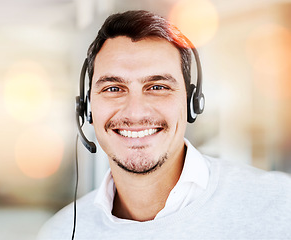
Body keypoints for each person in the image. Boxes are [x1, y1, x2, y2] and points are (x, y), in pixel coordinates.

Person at [37, 10, 291, 239]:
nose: (135, 111)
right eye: (114, 88)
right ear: (87, 107)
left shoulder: (280, 206)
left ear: (192, 102)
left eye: (158, 87)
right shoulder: (61, 232)